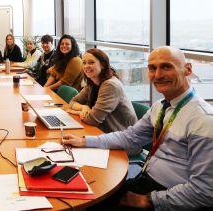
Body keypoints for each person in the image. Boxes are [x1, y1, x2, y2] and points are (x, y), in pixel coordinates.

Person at [63, 46, 213, 210]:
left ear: (188, 69)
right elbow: (129, 137)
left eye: (166, 66)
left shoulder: (203, 120)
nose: (158, 75)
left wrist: (150, 201)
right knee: (86, 195)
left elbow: (204, 191)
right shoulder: (160, 107)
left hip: (169, 194)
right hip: (146, 179)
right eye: (152, 68)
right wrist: (85, 141)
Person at [67, 48, 137, 133]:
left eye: (91, 62)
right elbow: (72, 102)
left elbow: (93, 120)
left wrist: (77, 112)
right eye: (84, 62)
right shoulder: (93, 83)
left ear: (103, 65)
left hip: (122, 139)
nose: (86, 66)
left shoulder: (110, 85)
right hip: (102, 133)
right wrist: (84, 107)